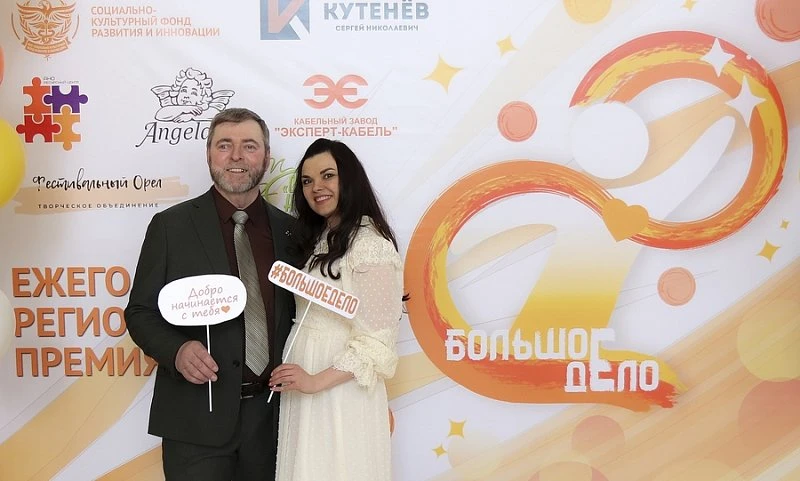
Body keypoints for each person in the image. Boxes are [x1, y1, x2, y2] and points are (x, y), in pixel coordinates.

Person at [125, 108, 296, 481]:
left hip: (275, 421)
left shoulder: (292, 233)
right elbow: (139, 312)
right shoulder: (170, 227)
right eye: (224, 145)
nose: (236, 156)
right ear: (208, 155)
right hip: (195, 421)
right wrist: (177, 350)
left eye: (249, 146)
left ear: (266, 157)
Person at [270, 138, 404, 481]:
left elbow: (376, 344)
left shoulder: (370, 245)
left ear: (349, 178)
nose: (317, 187)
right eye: (307, 180)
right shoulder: (320, 239)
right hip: (306, 383)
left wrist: (316, 381)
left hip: (338, 389)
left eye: (328, 175)